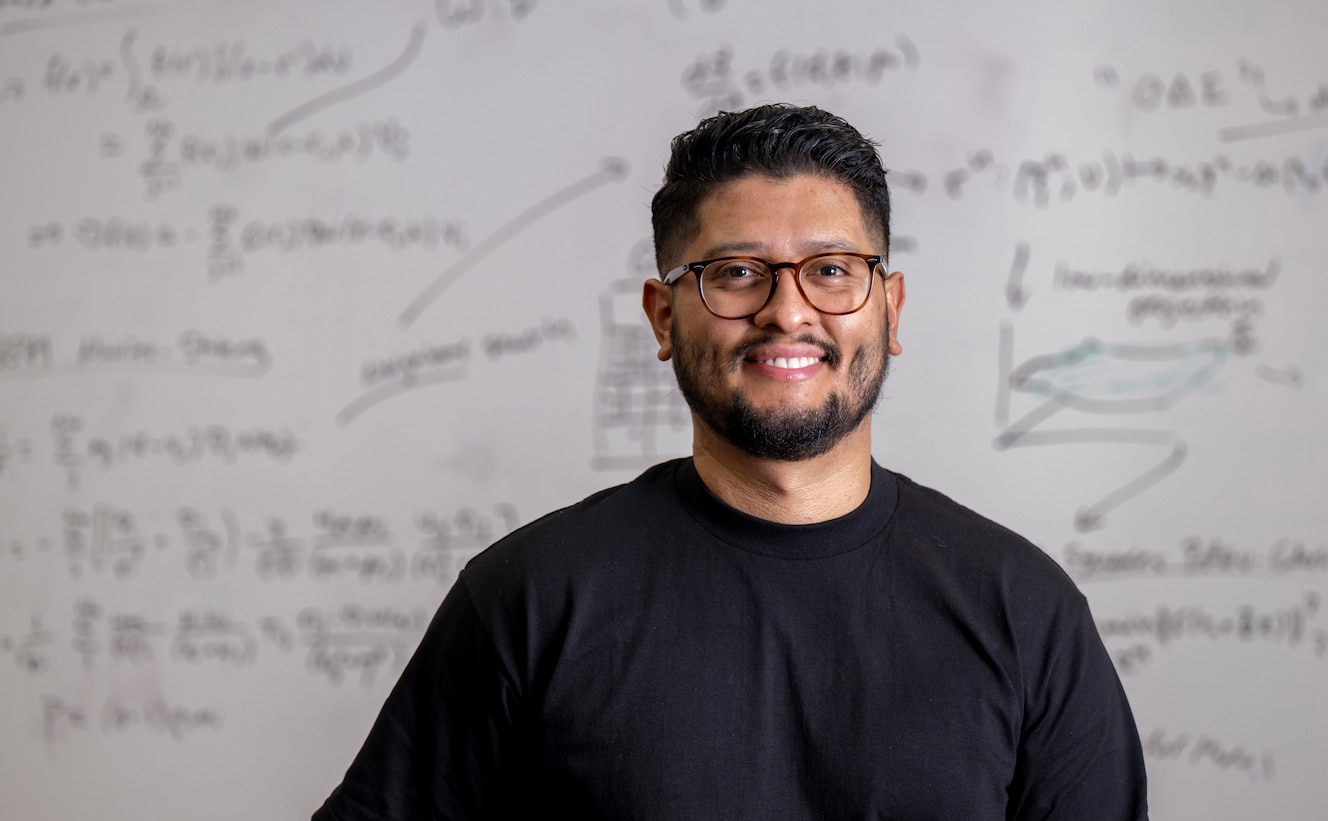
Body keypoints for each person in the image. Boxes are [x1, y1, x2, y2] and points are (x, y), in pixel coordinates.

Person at [315, 103, 1148, 820]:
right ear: (662, 317)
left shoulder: (1026, 611)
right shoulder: (530, 598)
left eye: (831, 270)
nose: (788, 311)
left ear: (888, 310)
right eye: (738, 272)